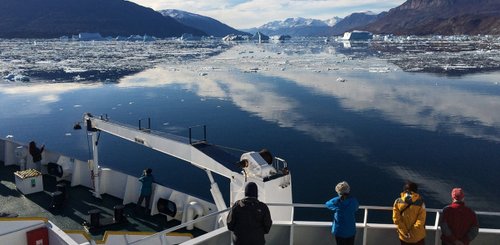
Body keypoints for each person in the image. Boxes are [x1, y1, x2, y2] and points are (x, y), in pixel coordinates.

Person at [325, 181, 359, 245]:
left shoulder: (336, 201)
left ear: (338, 192)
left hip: (339, 231)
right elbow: (356, 208)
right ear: (348, 191)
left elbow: (327, 204)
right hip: (350, 230)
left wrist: (338, 198)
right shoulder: (353, 201)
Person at [393, 180, 426, 245]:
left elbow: (396, 219)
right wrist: (413, 232)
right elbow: (421, 220)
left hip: (404, 236)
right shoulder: (421, 203)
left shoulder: (397, 202)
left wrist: (405, 232)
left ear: (404, 190)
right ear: (415, 190)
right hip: (418, 236)